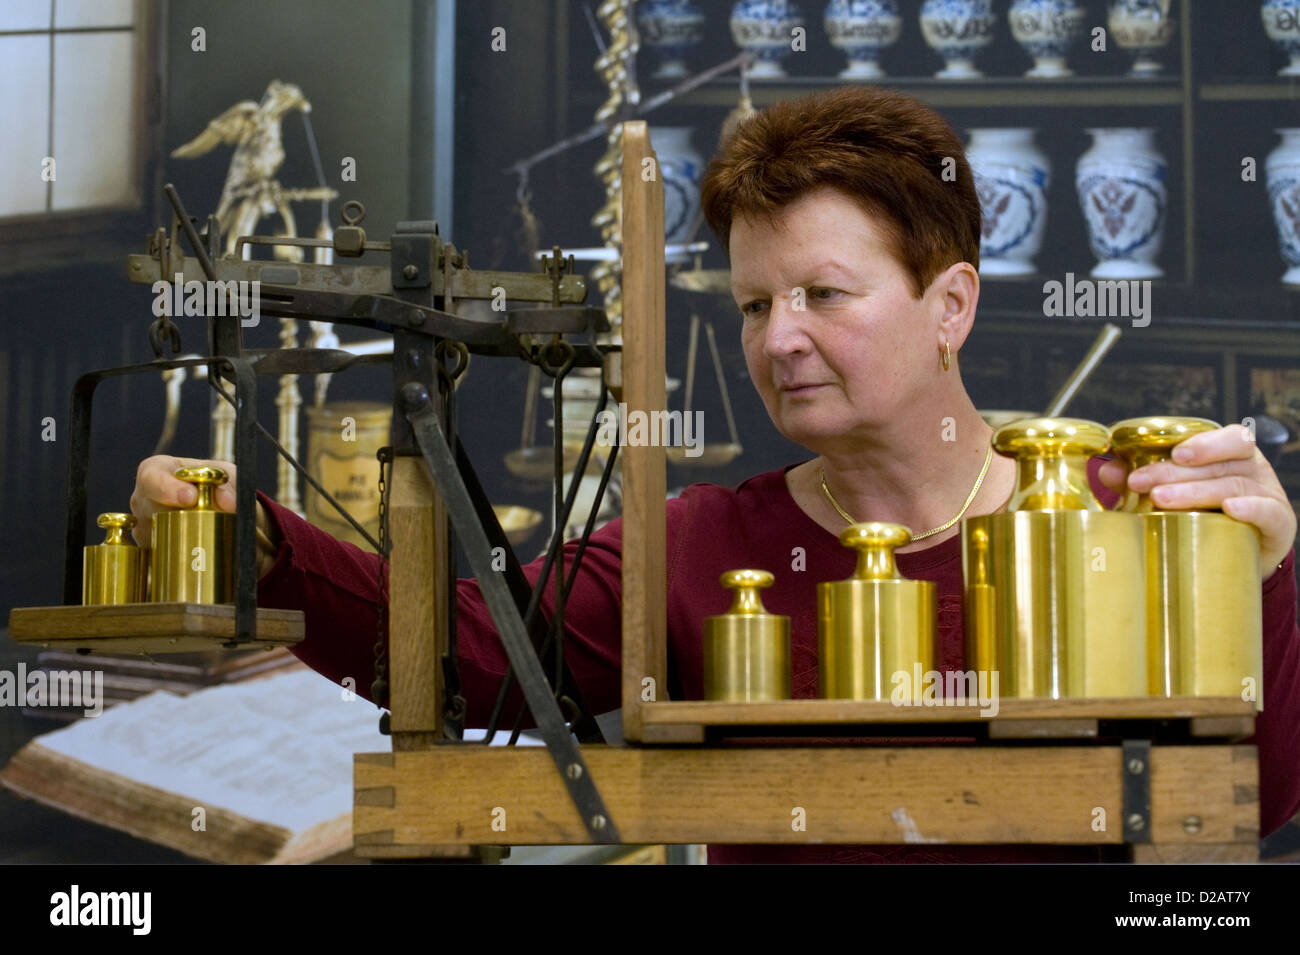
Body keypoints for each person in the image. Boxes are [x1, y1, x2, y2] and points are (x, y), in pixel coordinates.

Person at [131, 87, 1300, 864]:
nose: (777, 338)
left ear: (950, 304)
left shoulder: (1123, 511)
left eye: (824, 295)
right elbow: (471, 653)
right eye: (751, 304)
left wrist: (1270, 569)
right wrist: (255, 536)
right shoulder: (700, 543)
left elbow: (1271, 792)